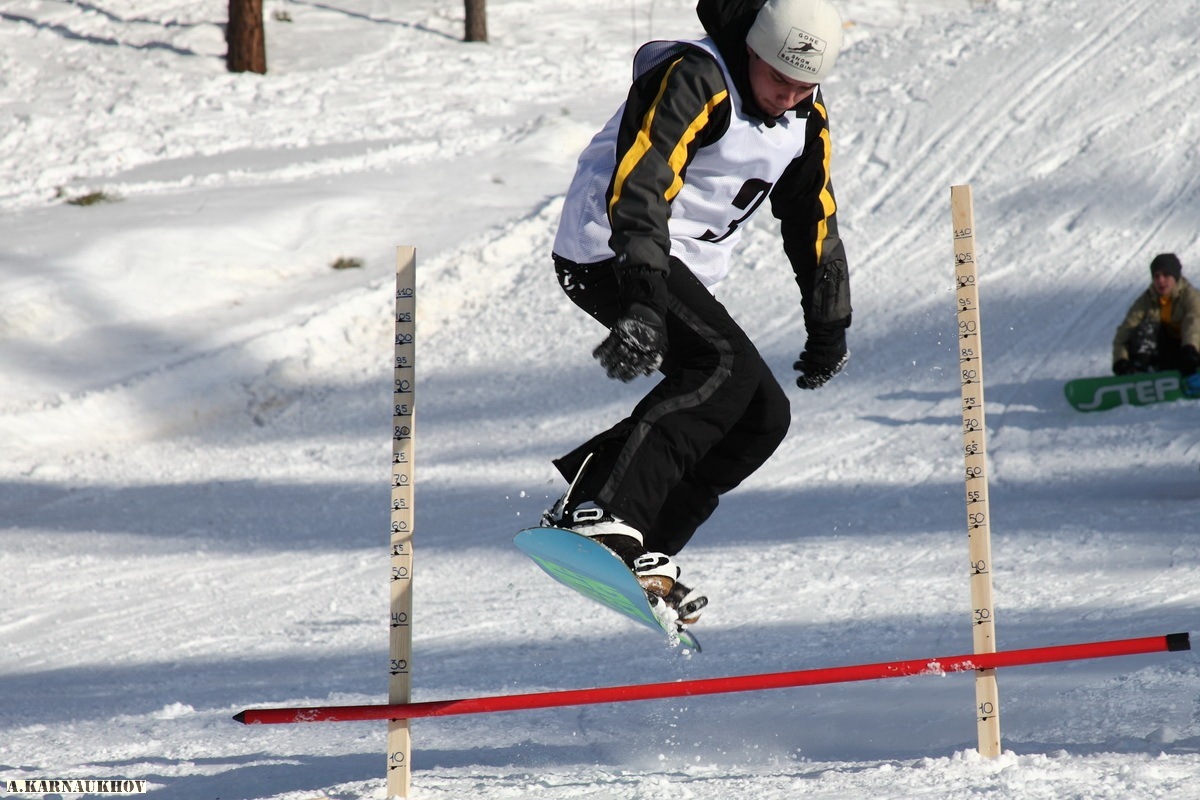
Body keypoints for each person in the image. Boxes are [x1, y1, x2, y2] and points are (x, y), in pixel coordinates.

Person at [542, 0, 852, 625]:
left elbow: (812, 217)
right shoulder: (695, 77)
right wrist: (642, 298)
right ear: (752, 52)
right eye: (779, 80)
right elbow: (642, 183)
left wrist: (828, 323)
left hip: (672, 263)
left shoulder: (804, 113)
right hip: (613, 245)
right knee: (721, 364)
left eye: (804, 86)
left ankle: (642, 547)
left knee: (761, 417)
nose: (789, 98)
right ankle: (601, 509)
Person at [1112, 253, 1200, 385]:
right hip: (1169, 353)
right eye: (1156, 276)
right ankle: (1141, 374)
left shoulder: (1190, 296)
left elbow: (1194, 323)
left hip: (1193, 351)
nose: (1161, 280)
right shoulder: (1147, 300)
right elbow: (1124, 333)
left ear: (1175, 277)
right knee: (1145, 329)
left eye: (1166, 275)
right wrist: (1120, 360)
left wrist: (1190, 349)